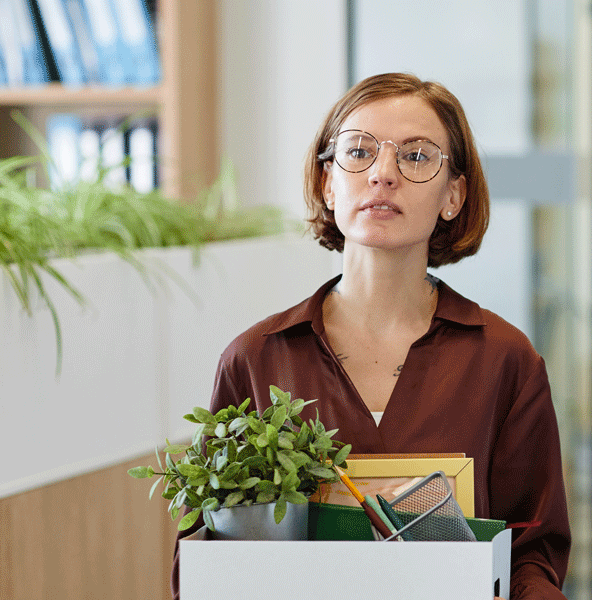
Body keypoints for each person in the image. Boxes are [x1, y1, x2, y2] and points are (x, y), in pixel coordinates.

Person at [172, 73, 570, 600]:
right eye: (358, 151)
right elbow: (204, 560)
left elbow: (533, 553)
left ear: (454, 195)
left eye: (417, 156)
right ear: (328, 184)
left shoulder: (505, 359)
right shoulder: (256, 359)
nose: (383, 174)